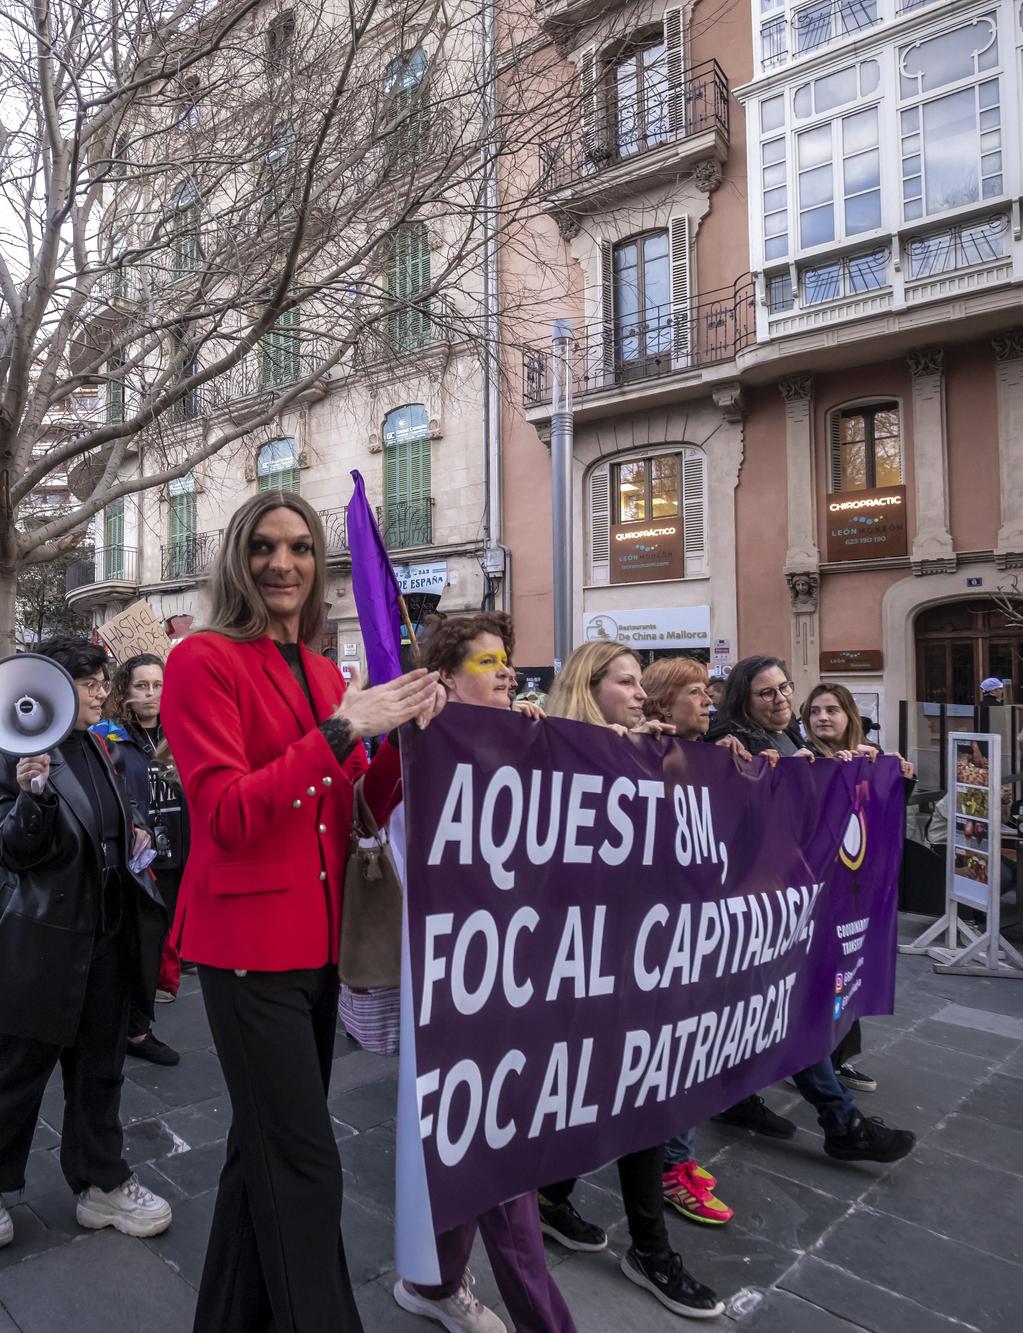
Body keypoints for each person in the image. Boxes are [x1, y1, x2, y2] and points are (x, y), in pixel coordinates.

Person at [160, 490, 442, 1333]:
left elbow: (352, 801)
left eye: (300, 548)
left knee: (264, 1157)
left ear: (319, 565)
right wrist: (342, 730)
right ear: (237, 559)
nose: (282, 563)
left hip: (318, 945)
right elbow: (230, 814)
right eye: (264, 547)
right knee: (306, 1166)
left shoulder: (322, 672)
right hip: (247, 948)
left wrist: (406, 744)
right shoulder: (200, 660)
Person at [371, 612, 573, 1333]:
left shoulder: (526, 741)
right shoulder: (410, 754)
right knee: (495, 1155)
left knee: (475, 1149)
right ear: (445, 680)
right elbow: (378, 812)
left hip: (516, 977)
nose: (507, 671)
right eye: (488, 661)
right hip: (451, 990)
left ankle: (432, 1280)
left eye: (506, 660)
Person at [0, 637, 175, 1252]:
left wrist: (134, 838)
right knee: (18, 1072)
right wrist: (33, 798)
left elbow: (109, 826)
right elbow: (12, 849)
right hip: (38, 946)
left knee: (101, 1070)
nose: (105, 691)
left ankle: (102, 1181)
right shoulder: (9, 754)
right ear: (50, 685)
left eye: (104, 681)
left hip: (104, 940)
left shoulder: (100, 748)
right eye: (93, 681)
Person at [538, 643, 725, 1320]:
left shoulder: (648, 751)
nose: (639, 693)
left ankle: (555, 1198)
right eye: (626, 682)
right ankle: (648, 1248)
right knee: (620, 1095)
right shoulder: (551, 748)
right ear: (588, 687)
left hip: (635, 959)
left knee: (624, 1093)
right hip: (575, 963)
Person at [704, 659, 918, 1164]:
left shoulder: (783, 738)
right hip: (757, 904)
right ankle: (840, 1122)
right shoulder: (736, 741)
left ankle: (736, 1097)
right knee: (790, 1011)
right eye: (765, 694)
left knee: (772, 1010)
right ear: (743, 700)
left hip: (787, 902)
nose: (779, 699)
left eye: (783, 689)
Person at [639, 655, 762, 1230]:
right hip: (660, 940)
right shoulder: (646, 756)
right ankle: (669, 1166)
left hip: (700, 933)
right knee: (674, 1055)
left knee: (693, 1051)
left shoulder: (710, 756)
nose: (709, 701)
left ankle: (676, 1156)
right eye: (695, 692)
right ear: (662, 704)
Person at [799, 683, 916, 1096]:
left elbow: (884, 818)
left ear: (851, 715)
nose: (822, 718)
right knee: (820, 983)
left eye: (831, 709)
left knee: (848, 977)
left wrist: (899, 777)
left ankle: (838, 1060)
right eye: (815, 711)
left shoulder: (870, 758)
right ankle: (818, 1068)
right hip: (816, 895)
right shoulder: (807, 758)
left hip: (855, 891)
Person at [93, 652, 181, 1067]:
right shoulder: (110, 737)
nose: (150, 694)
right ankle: (136, 1029)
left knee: (161, 940)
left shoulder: (180, 731)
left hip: (179, 850)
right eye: (141, 686)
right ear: (125, 690)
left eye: (158, 685)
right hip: (137, 859)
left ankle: (135, 1017)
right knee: (139, 944)